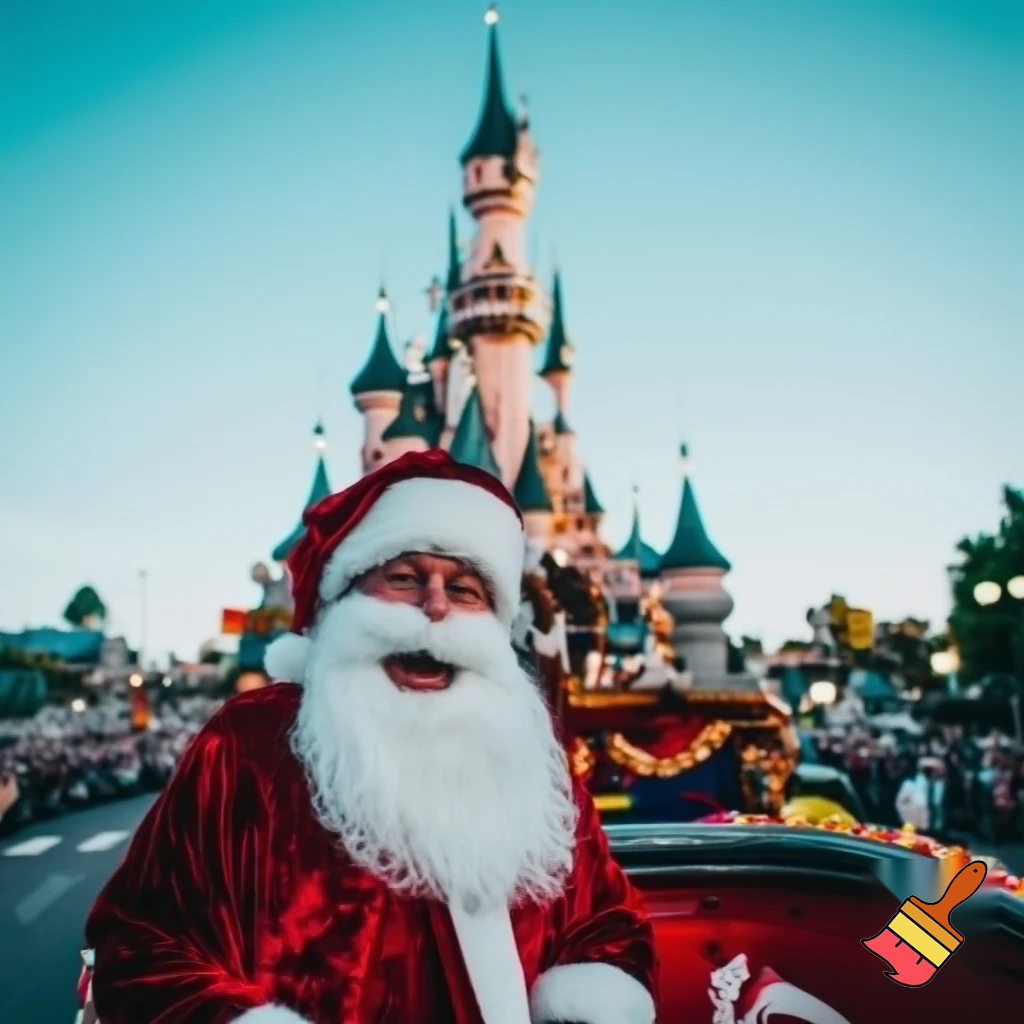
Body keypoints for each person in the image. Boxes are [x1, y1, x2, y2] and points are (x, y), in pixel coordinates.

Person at [84, 450, 656, 1024]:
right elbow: (141, 940)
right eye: (404, 578)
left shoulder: (528, 756)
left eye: (463, 590)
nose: (433, 608)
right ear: (345, 599)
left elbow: (605, 920)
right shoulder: (250, 743)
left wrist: (591, 999)